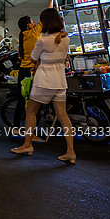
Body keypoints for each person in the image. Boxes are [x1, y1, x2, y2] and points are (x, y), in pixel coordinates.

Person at [11, 8, 76, 164]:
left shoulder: (42, 40)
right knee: (63, 116)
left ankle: (27, 144)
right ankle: (71, 152)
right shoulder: (65, 39)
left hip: (44, 82)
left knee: (31, 111)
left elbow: (33, 58)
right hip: (60, 81)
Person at [13, 0, 59, 134]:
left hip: (23, 71)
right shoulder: (33, 33)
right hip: (31, 72)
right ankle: (29, 131)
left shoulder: (23, 35)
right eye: (32, 22)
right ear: (28, 25)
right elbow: (46, 15)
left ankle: (16, 127)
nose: (34, 23)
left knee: (22, 100)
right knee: (33, 102)